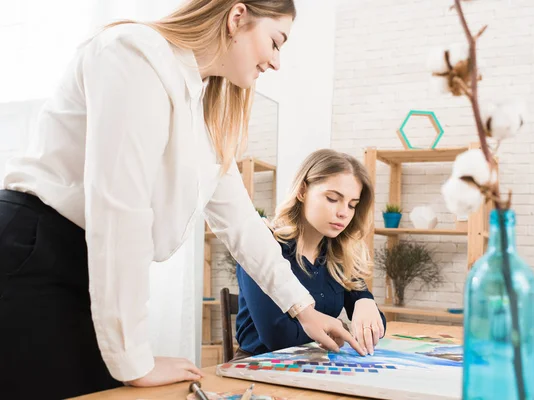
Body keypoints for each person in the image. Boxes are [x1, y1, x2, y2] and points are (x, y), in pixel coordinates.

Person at [0, 1, 363, 399]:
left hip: (79, 261)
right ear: (237, 16)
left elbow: (242, 225)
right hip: (33, 251)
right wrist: (136, 361)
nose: (276, 62)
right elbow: (120, 210)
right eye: (275, 42)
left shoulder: (201, 110)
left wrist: (303, 308)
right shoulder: (136, 53)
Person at [234, 149, 386, 361]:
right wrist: (340, 326)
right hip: (258, 366)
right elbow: (278, 337)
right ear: (303, 191)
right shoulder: (262, 245)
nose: (344, 212)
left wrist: (365, 302)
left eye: (352, 205)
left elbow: (375, 328)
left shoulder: (338, 254)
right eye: (333, 199)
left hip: (316, 363)